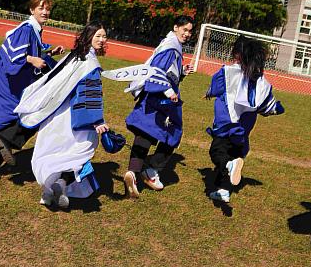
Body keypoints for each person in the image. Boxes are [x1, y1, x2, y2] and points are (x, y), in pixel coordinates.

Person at [15, 22, 109, 209]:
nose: (101, 40)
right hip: (76, 118)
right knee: (80, 152)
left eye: (104, 36)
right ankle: (62, 184)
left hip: (57, 116)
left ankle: (48, 193)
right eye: (97, 35)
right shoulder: (90, 63)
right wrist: (96, 121)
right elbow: (88, 93)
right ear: (88, 36)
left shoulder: (74, 56)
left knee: (56, 152)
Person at [0, 0, 64, 180]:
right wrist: (32, 60)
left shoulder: (34, 30)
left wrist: (49, 53)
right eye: (41, 8)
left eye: (48, 9)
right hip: (6, 85)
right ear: (32, 9)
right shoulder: (26, 29)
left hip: (13, 85)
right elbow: (11, 54)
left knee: (0, 127)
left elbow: (32, 49)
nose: (45, 12)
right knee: (29, 117)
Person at [203, 37, 284, 204]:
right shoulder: (262, 81)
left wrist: (209, 93)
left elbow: (215, 87)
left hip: (226, 124)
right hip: (243, 130)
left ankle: (229, 168)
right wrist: (277, 109)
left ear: (237, 54)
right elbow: (267, 106)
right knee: (233, 155)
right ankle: (223, 190)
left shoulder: (228, 72)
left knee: (218, 153)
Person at [122, 15, 195, 198]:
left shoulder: (170, 44)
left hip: (153, 98)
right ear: (176, 27)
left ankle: (133, 172)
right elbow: (156, 72)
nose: (187, 34)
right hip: (160, 100)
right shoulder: (171, 47)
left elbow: (167, 72)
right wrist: (169, 92)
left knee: (144, 134)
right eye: (184, 29)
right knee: (172, 132)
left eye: (190, 31)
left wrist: (182, 72)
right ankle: (151, 170)